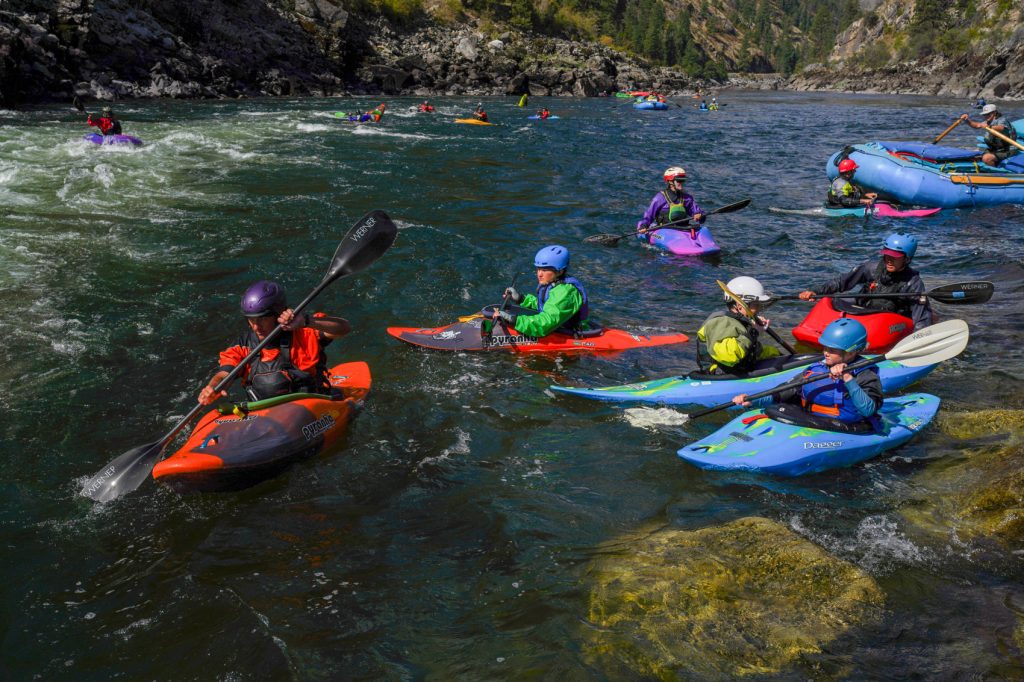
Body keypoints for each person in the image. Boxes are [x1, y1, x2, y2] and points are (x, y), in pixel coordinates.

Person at [198, 280, 351, 405]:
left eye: (263, 319)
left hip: (310, 407)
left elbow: (344, 328)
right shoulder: (242, 346)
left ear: (278, 314)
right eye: (252, 320)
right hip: (266, 417)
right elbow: (224, 374)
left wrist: (307, 321)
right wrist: (213, 387)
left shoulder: (304, 332)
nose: (256, 326)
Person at [732, 318, 883, 433]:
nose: (825, 352)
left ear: (851, 352)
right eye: (825, 347)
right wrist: (753, 400)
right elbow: (785, 391)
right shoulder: (817, 368)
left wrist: (848, 379)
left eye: (832, 349)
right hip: (811, 419)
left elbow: (868, 410)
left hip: (846, 427)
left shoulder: (865, 374)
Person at [798, 233, 933, 331]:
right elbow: (841, 282)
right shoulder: (871, 268)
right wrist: (815, 291)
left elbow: (921, 318)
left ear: (907, 259)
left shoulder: (913, 283)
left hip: (890, 319)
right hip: (867, 309)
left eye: (895, 257)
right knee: (832, 300)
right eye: (887, 255)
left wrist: (918, 340)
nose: (889, 260)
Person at [489, 245, 590, 338]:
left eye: (545, 270)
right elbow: (546, 305)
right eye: (538, 269)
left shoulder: (565, 292)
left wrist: (514, 321)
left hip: (570, 335)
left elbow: (547, 321)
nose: (539, 274)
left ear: (560, 271)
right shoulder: (552, 283)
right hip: (557, 326)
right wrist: (521, 299)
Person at [697, 276, 782, 375]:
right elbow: (730, 356)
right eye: (756, 305)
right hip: (719, 378)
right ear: (739, 306)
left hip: (737, 374)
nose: (758, 309)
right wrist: (754, 332)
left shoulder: (740, 323)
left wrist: (778, 354)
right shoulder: (721, 323)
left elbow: (752, 351)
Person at [636, 166, 705, 242]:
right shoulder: (659, 198)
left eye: (683, 180)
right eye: (679, 180)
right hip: (666, 230)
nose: (681, 183)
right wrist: (644, 225)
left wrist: (699, 215)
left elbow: (697, 212)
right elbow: (649, 215)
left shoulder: (687, 198)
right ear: (670, 181)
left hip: (683, 229)